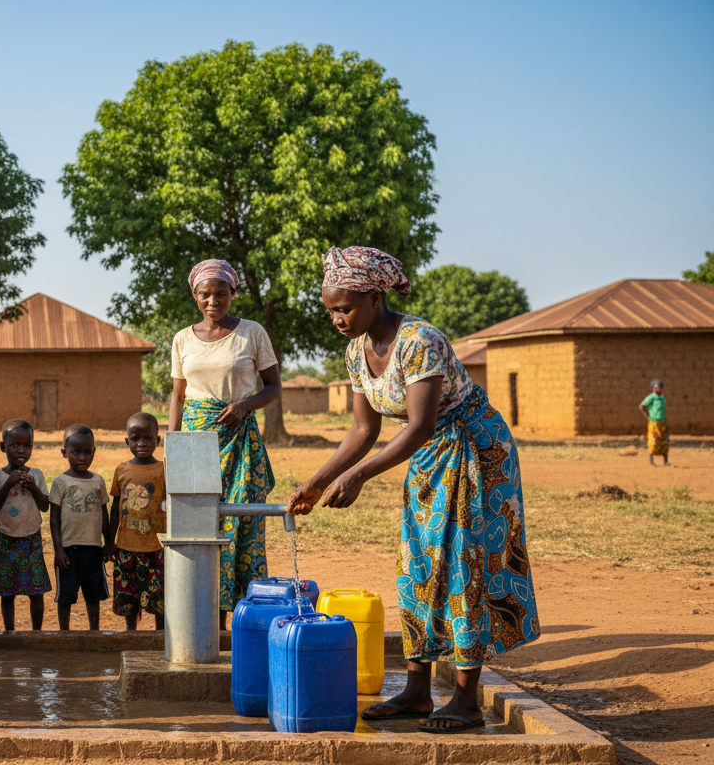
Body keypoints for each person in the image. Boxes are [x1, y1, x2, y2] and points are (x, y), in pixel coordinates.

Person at [288, 245, 539, 733]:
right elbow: (364, 430)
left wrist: (359, 476)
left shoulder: (418, 339)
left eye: (345, 308)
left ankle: (466, 698)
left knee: (463, 565)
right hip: (427, 458)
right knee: (418, 564)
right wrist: (317, 483)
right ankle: (418, 691)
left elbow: (421, 423)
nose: (337, 319)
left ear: (375, 298)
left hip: (474, 451)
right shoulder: (355, 352)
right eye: (331, 310)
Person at [169, 259, 283, 628]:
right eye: (205, 294)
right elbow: (178, 397)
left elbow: (274, 387)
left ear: (234, 293)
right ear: (194, 295)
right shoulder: (182, 338)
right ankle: (204, 619)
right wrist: (174, 447)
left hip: (240, 440)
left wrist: (244, 405)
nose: (213, 300)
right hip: (197, 441)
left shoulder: (251, 333)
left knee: (243, 523)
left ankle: (243, 621)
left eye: (221, 293)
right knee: (198, 524)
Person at [0, 419, 51, 631]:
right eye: (15, 445)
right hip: (5, 538)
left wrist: (34, 488)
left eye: (27, 445)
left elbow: (44, 507)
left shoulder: (37, 475)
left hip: (31, 538)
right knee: (7, 590)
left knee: (36, 589)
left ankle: (37, 632)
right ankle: (9, 630)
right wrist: (9, 483)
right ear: (4, 447)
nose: (21, 450)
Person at [107, 412, 167, 631]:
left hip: (157, 546)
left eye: (148, 438)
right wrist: (110, 540)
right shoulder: (122, 470)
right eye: (135, 438)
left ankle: (160, 636)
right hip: (126, 546)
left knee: (160, 598)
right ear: (127, 441)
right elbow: (115, 507)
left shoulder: (163, 469)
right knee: (127, 596)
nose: (141, 443)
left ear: (157, 440)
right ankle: (130, 635)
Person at [49, 424, 109, 631]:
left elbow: (104, 514)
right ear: (64, 453)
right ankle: (64, 633)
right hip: (68, 551)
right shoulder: (60, 482)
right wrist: (58, 549)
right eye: (76, 452)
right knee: (66, 596)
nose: (82, 457)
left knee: (94, 595)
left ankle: (95, 632)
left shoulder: (98, 481)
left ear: (94, 451)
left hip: (93, 548)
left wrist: (108, 543)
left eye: (87, 452)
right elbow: (54, 518)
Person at [640, 379, 669, 466]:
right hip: (654, 422)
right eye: (655, 388)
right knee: (654, 441)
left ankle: (665, 461)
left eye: (659, 388)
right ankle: (652, 460)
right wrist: (648, 416)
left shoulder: (662, 397)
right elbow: (642, 406)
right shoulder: (651, 397)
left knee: (664, 441)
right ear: (652, 389)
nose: (657, 389)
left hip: (663, 422)